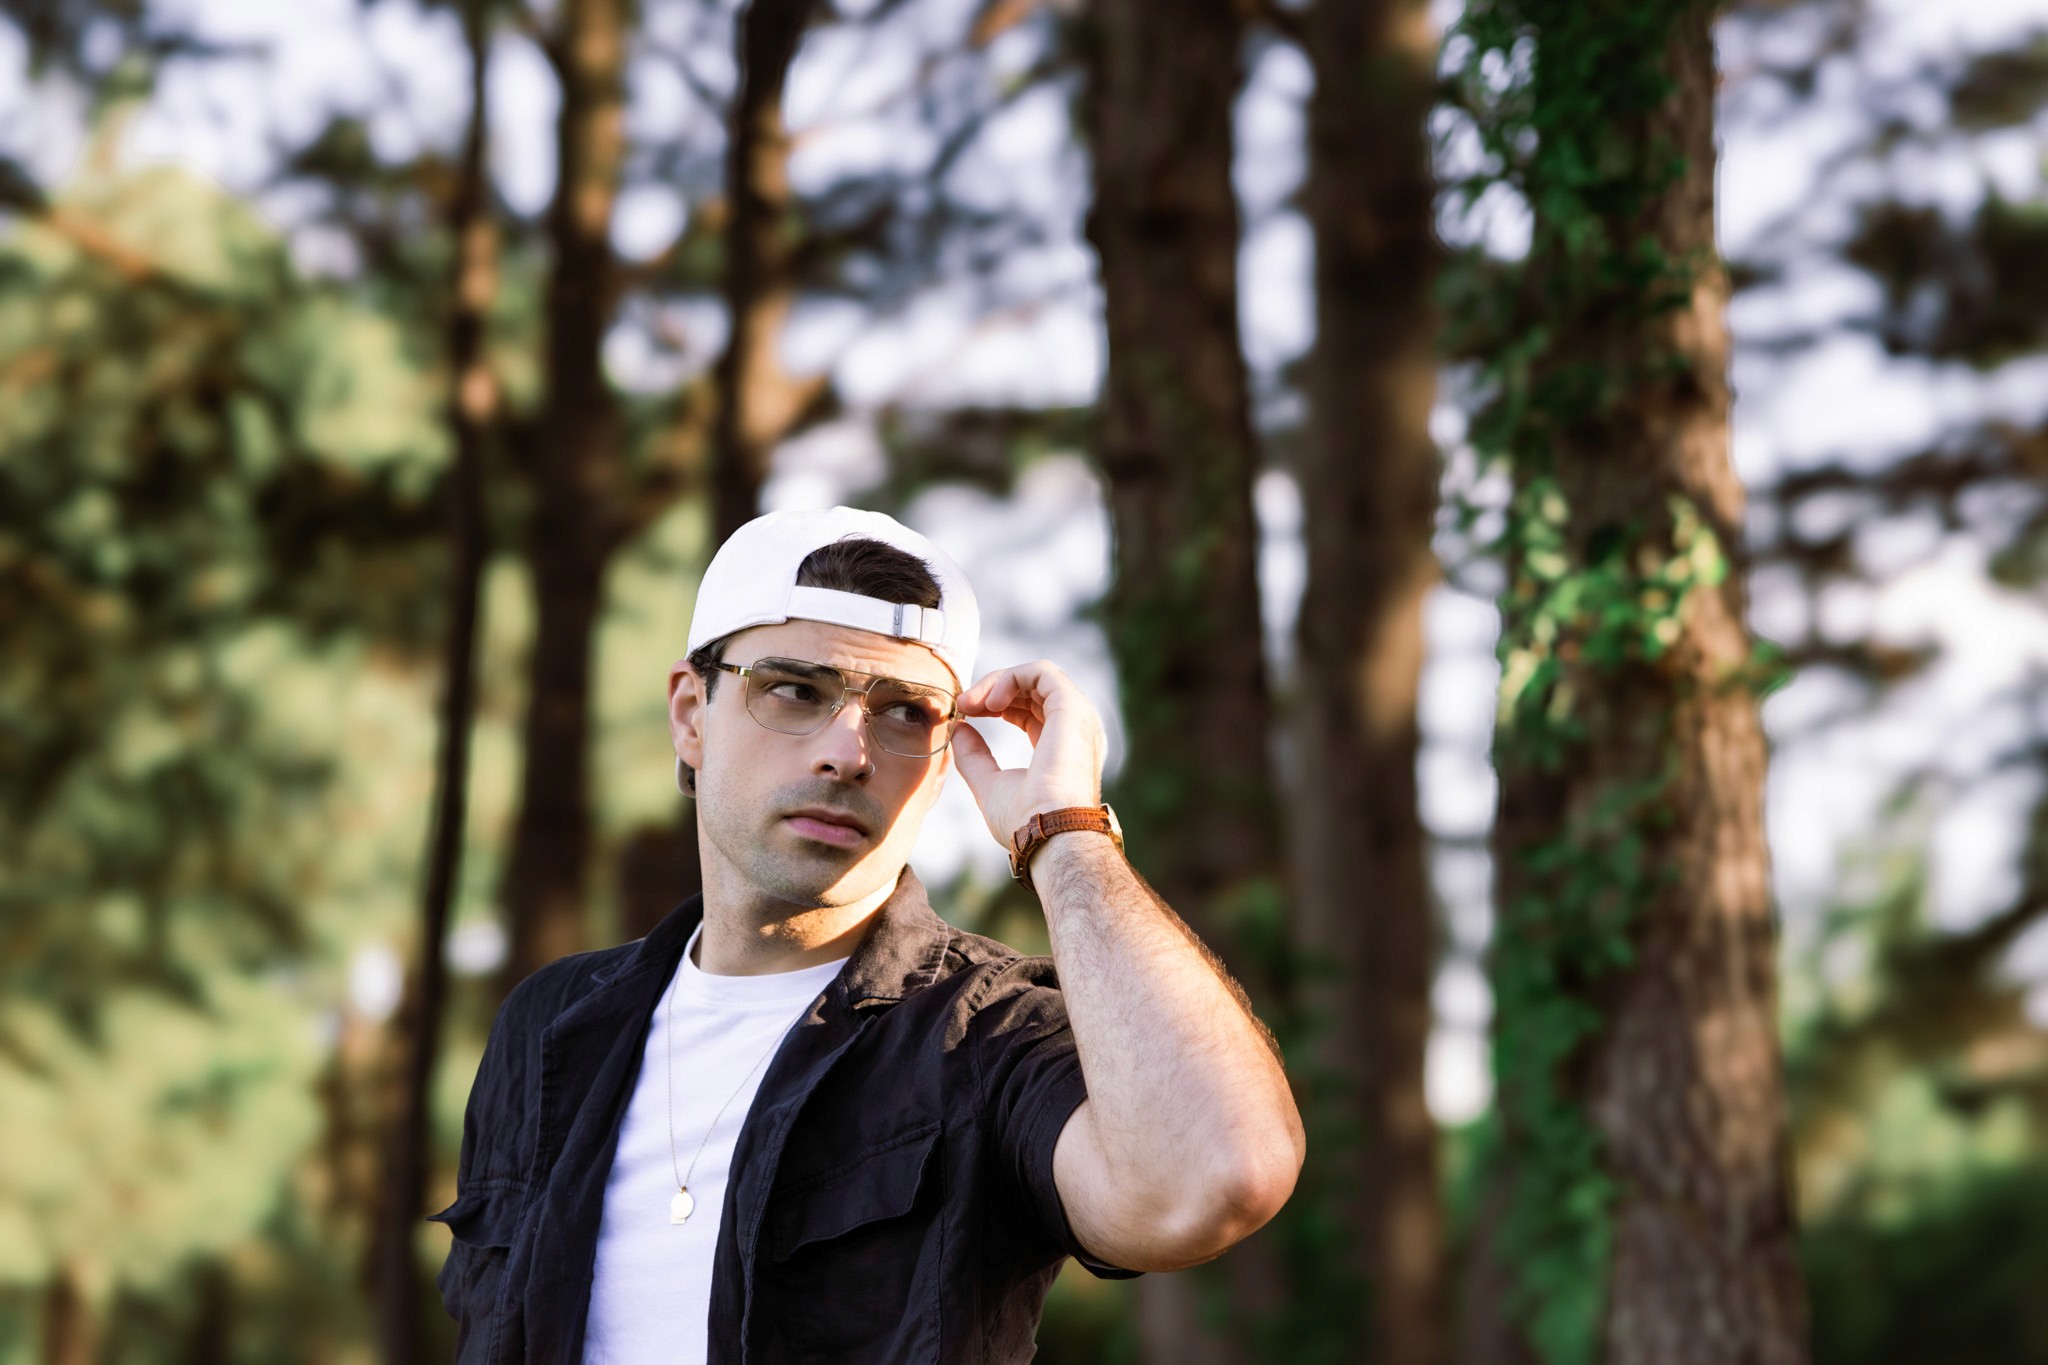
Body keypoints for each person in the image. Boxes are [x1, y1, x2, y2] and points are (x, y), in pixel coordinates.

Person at [431, 505, 1304, 1363]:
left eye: (904, 713)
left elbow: (1219, 1173)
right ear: (691, 715)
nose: (849, 752)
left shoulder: (985, 1037)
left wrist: (1066, 833)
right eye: (795, 690)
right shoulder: (547, 1027)